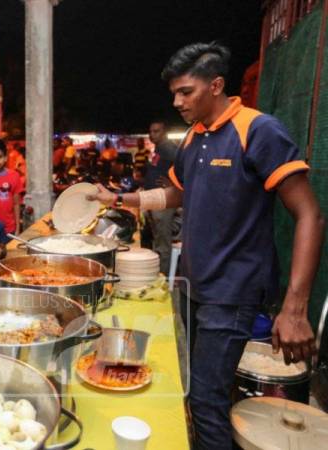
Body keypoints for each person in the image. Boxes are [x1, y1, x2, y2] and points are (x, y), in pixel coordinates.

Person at [90, 42, 324, 450]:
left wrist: (295, 308)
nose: (178, 102)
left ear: (216, 85)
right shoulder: (195, 137)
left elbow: (310, 215)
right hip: (196, 286)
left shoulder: (257, 129)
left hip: (233, 291)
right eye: (174, 94)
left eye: (186, 92)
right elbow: (176, 195)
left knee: (205, 401)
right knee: (198, 389)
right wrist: (118, 199)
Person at [143, 120, 179, 274]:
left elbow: (186, 165)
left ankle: (163, 277)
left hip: (164, 202)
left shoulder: (168, 148)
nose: (152, 134)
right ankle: (158, 273)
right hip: (156, 200)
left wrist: (173, 183)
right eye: (151, 131)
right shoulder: (159, 149)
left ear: (164, 132)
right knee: (158, 240)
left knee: (163, 242)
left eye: (156, 131)